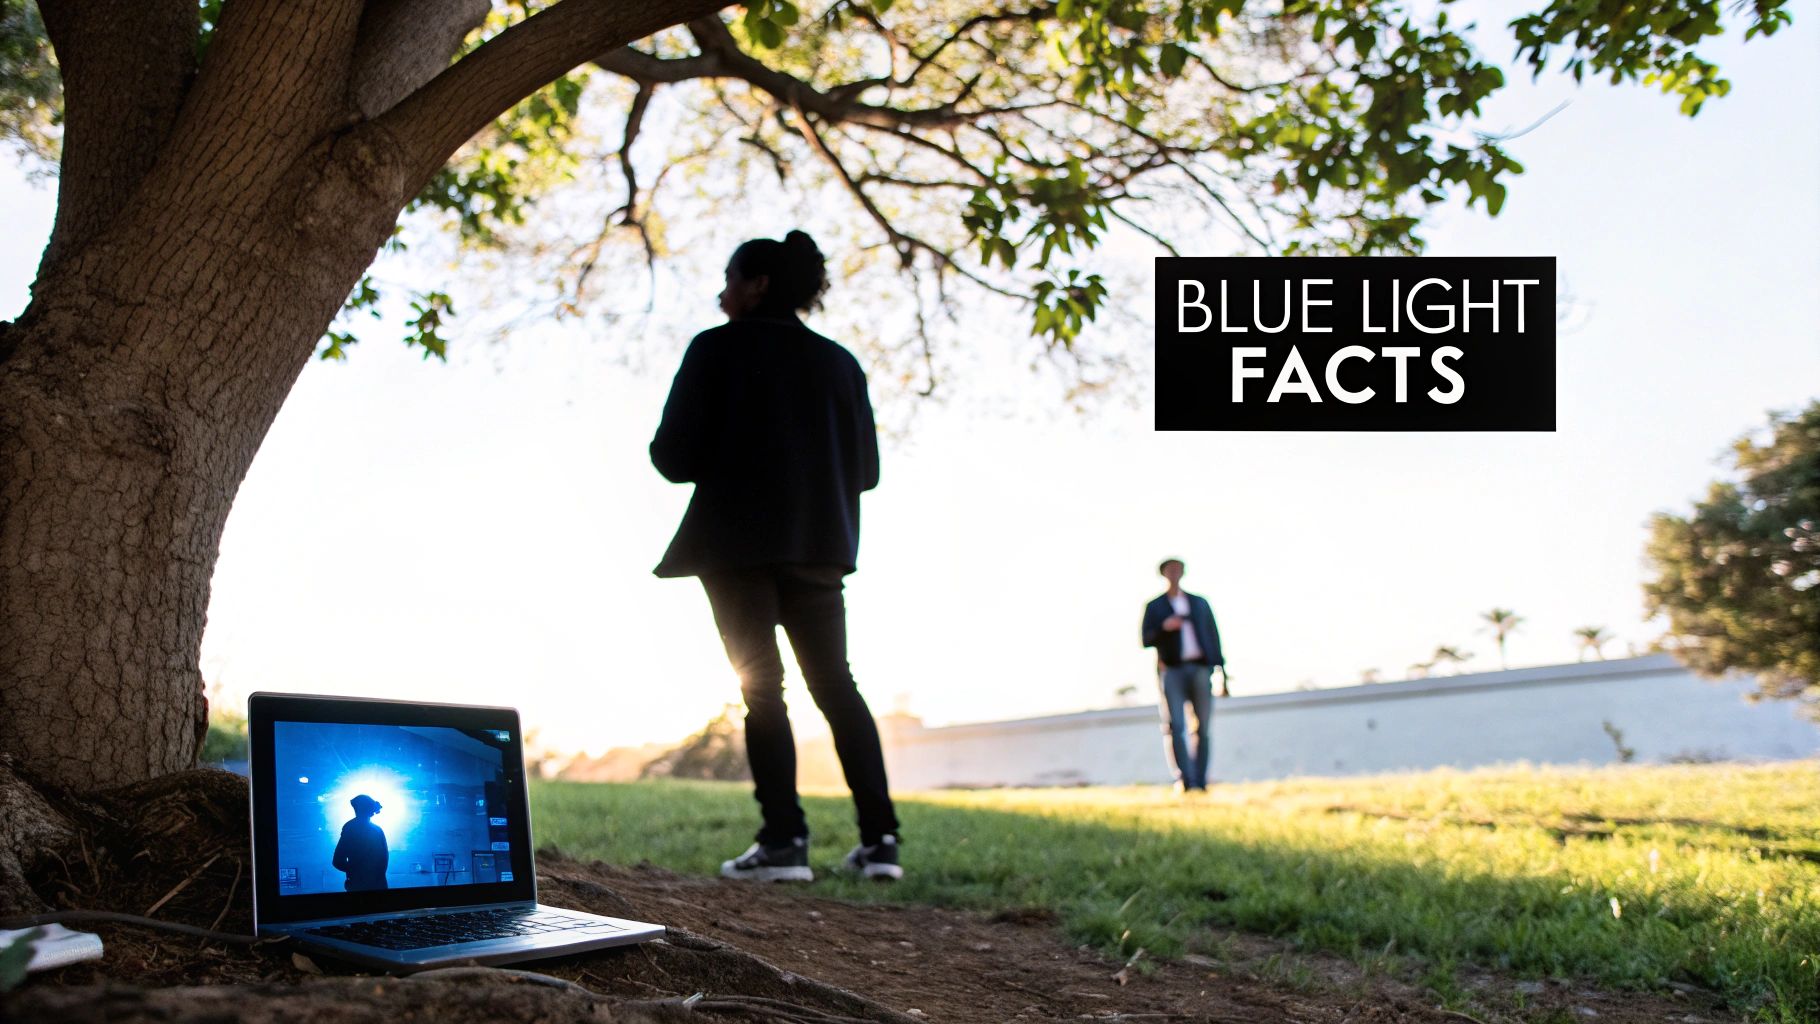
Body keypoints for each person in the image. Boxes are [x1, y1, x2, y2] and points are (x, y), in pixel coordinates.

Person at [650, 230, 902, 883]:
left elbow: (671, 457)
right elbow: (868, 472)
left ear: (758, 284)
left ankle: (785, 843)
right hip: (820, 545)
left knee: (762, 690)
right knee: (836, 685)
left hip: (735, 546)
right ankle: (881, 843)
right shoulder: (841, 364)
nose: (721, 293)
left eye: (730, 279)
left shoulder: (715, 348)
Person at [1140, 558, 1229, 791]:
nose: (1174, 573)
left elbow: (1213, 635)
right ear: (1163, 573)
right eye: (1170, 569)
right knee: (1176, 726)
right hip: (1172, 670)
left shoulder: (1199, 603)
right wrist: (1164, 628)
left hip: (1200, 668)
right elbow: (1145, 639)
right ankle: (1185, 780)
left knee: (1203, 728)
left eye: (1178, 569)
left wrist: (1221, 670)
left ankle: (1200, 780)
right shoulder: (1155, 606)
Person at [332, 794, 389, 891]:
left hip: (358, 886)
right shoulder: (378, 830)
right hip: (378, 885)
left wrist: (354, 872)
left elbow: (337, 861)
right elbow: (384, 858)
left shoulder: (350, 828)